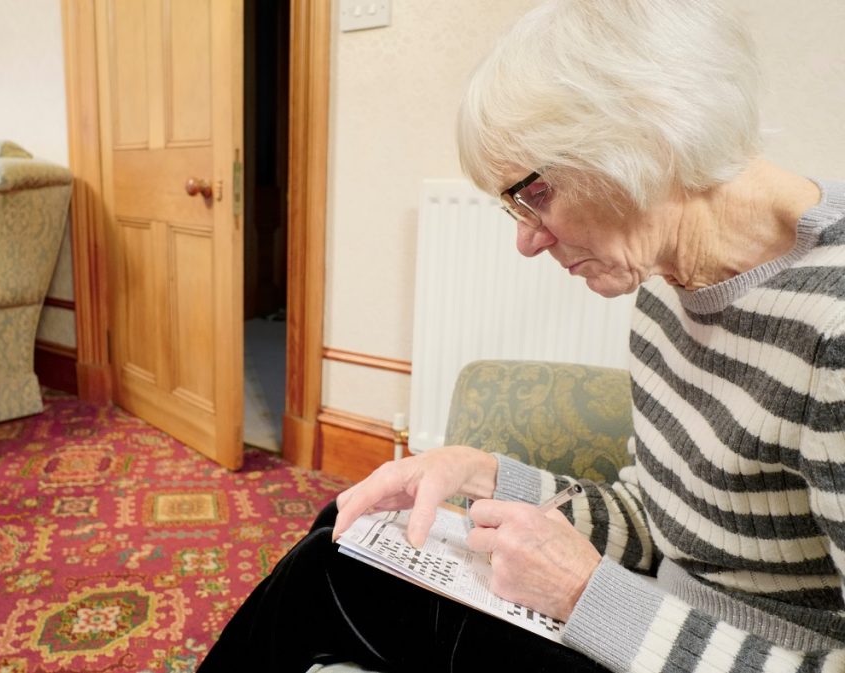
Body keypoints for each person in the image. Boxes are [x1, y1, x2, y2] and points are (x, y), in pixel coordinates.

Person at [198, 0, 845, 671]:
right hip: (655, 620)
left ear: (650, 137)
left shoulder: (834, 326)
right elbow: (660, 523)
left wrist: (587, 594)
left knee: (326, 576)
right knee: (343, 533)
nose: (527, 242)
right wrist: (483, 475)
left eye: (535, 194)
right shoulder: (665, 284)